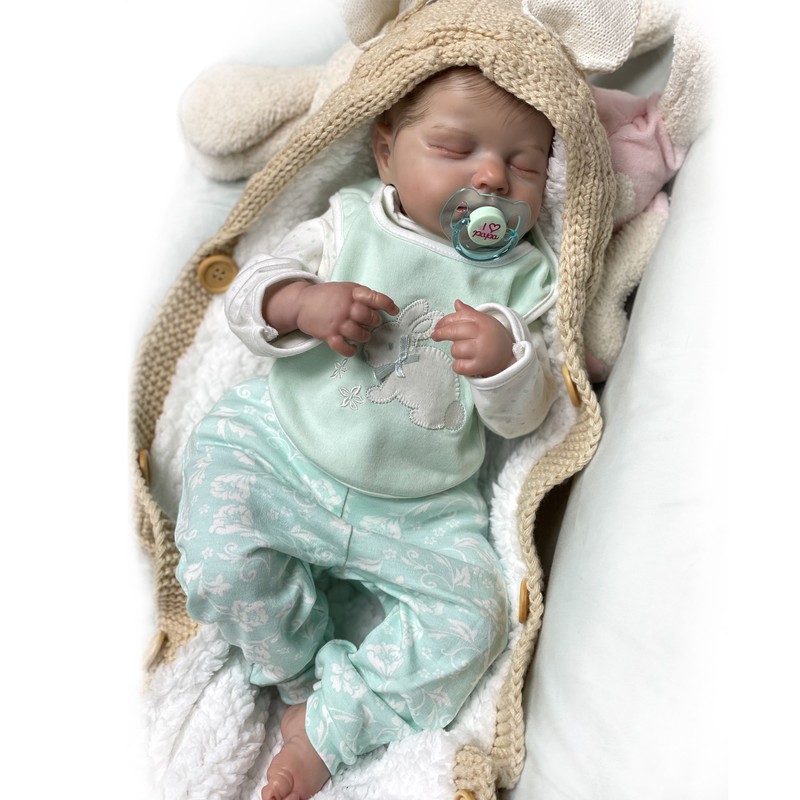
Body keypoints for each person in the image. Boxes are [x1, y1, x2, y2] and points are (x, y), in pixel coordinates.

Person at [175, 66, 558, 800]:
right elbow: (249, 297)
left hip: (420, 505)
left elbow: (527, 416)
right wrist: (300, 302)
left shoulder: (521, 280)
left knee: (475, 620)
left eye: (525, 166)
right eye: (456, 149)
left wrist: (504, 365)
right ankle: (295, 672)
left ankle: (332, 722)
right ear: (386, 153)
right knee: (221, 558)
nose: (491, 177)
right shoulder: (348, 222)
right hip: (285, 452)